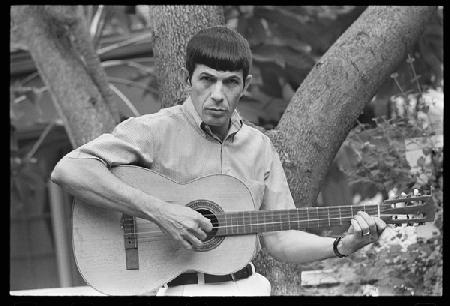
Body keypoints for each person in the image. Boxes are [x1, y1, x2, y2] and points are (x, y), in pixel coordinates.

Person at [51, 26, 386, 296]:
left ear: (245, 86)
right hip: (182, 290)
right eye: (207, 79)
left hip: (250, 287)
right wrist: (160, 211)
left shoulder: (259, 147)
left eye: (230, 83)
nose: (217, 94)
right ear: (188, 80)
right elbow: (70, 170)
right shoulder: (153, 131)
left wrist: (342, 245)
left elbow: (281, 240)